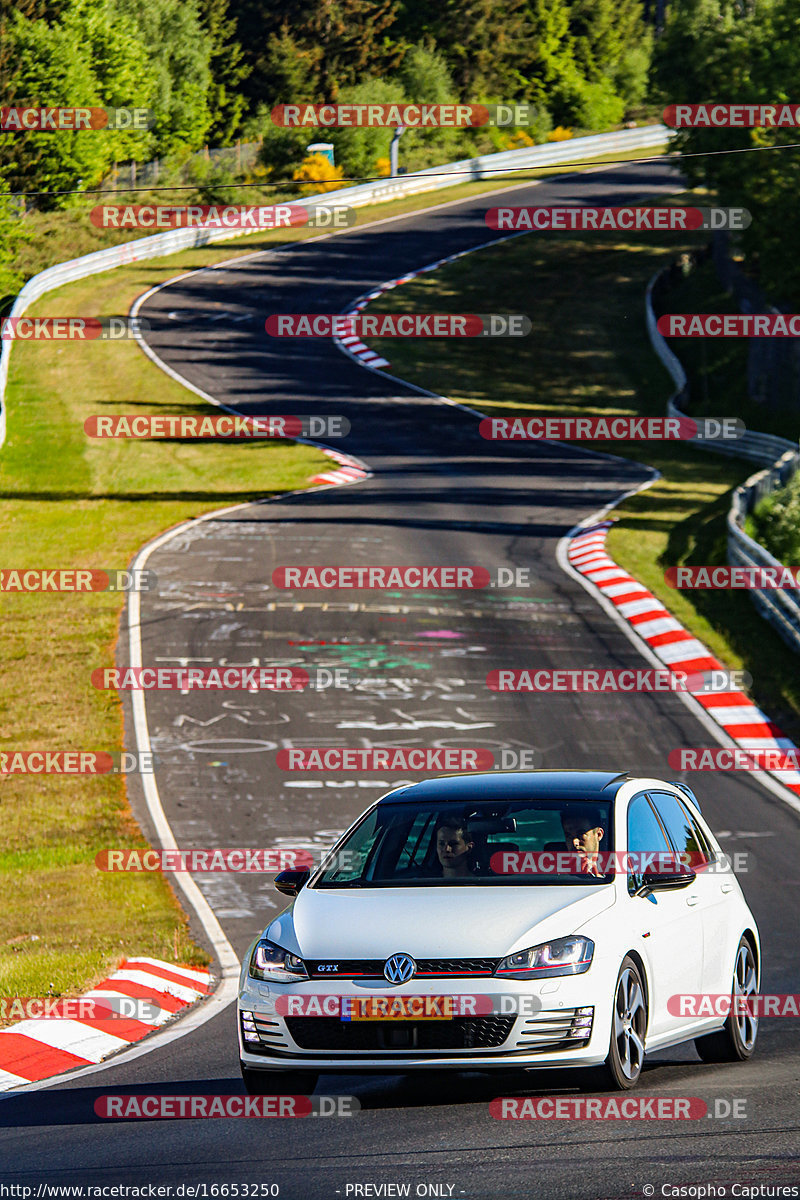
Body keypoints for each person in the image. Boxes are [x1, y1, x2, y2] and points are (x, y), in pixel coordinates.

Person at [559, 807, 606, 877]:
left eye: (581, 834)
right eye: (568, 836)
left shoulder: (617, 869)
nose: (574, 842)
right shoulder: (553, 873)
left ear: (598, 834)